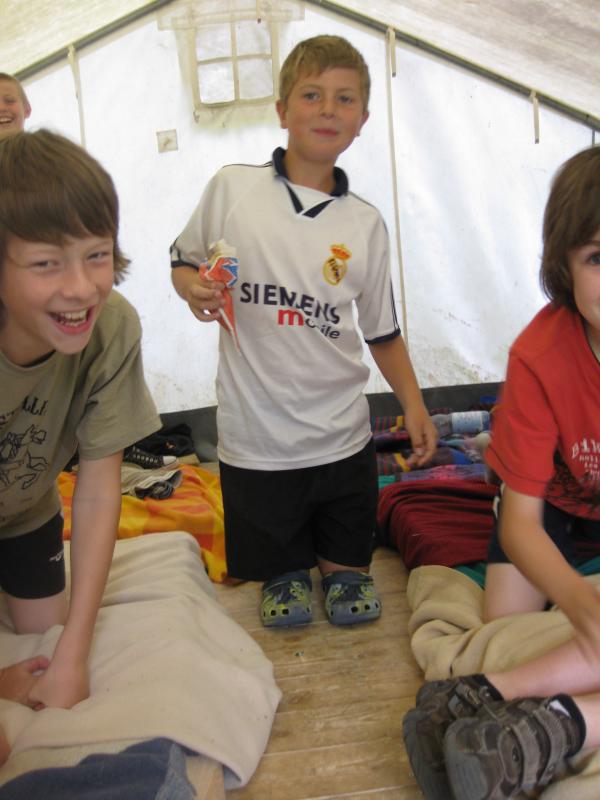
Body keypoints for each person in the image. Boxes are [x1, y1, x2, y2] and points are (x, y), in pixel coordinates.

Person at [170, 35, 436, 628]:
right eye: (312, 95)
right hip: (256, 436)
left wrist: (414, 405)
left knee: (348, 574)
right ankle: (285, 570)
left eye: (345, 98)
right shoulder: (232, 188)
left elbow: (382, 331)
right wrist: (193, 290)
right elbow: (183, 261)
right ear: (282, 110)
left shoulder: (364, 224)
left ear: (363, 121)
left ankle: (342, 568)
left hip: (341, 431)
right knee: (281, 576)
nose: (327, 109)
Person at [403, 145, 600, 799]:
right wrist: (579, 602)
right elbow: (520, 525)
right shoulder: (541, 355)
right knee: (506, 624)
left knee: (523, 645)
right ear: (564, 266)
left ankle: (488, 699)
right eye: (599, 258)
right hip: (554, 508)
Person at [0, 130, 160, 720]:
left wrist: (74, 654)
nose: (80, 288)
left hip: (24, 512)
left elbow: (96, 491)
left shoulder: (113, 328)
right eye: (46, 263)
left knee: (45, 633)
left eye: (97, 254)